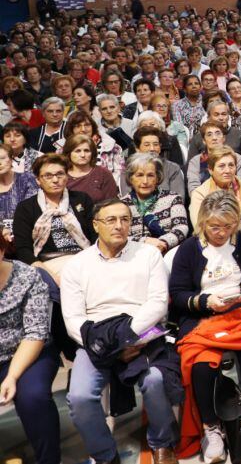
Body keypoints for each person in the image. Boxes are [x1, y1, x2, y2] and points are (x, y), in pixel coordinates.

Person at [61, 198, 181, 464]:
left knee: (155, 380)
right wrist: (111, 346)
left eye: (125, 219)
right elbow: (72, 318)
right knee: (79, 396)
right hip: (96, 340)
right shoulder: (76, 265)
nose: (119, 226)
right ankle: (105, 455)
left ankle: (162, 443)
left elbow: (158, 304)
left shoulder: (148, 255)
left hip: (143, 333)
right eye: (110, 220)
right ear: (95, 225)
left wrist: (129, 338)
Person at [168, 191, 241, 462]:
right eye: (214, 227)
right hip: (202, 317)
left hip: (239, 312)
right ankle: (210, 427)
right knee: (202, 365)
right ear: (203, 222)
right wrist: (206, 301)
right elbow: (179, 294)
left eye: (228, 227)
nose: (221, 233)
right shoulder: (188, 250)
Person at [0, 253, 61, 464]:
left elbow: (35, 333)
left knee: (33, 396)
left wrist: (12, 376)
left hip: (28, 353)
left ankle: (49, 460)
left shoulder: (27, 276)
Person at [13, 154, 95, 284]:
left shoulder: (82, 199)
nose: (55, 180)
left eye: (60, 174)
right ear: (38, 180)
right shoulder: (26, 207)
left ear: (67, 177)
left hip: (85, 259)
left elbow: (96, 235)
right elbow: (23, 249)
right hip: (48, 264)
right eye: (48, 176)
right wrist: (47, 274)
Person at [190, 148, 241, 239]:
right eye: (221, 166)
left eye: (231, 165)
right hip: (216, 241)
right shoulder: (200, 193)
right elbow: (199, 227)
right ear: (210, 170)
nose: (227, 170)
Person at [121, 153, 189, 253]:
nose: (145, 181)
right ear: (131, 179)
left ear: (157, 178)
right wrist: (145, 241)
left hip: (167, 253)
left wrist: (163, 243)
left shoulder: (173, 198)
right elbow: (120, 235)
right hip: (132, 255)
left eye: (150, 175)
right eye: (139, 175)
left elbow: (181, 228)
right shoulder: (122, 205)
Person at [186, 121, 241, 195]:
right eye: (209, 135)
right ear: (204, 141)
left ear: (224, 138)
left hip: (233, 200)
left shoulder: (237, 159)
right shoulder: (195, 161)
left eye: (218, 133)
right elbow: (193, 189)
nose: (214, 138)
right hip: (205, 202)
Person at [63, 134, 119, 204]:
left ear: (92, 153)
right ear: (69, 153)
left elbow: (112, 203)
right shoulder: (61, 174)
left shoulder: (103, 174)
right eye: (77, 151)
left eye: (86, 151)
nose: (83, 155)